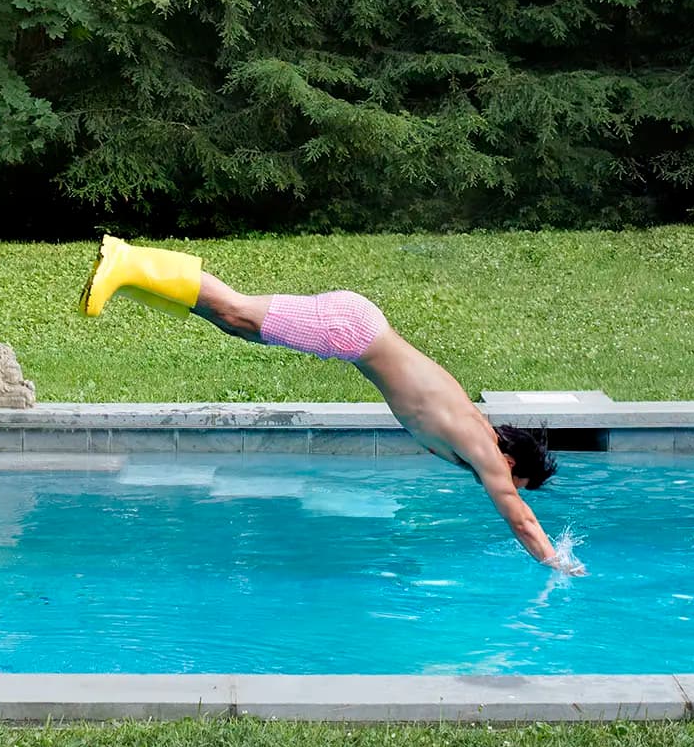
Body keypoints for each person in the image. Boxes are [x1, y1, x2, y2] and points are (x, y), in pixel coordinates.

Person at [82, 235, 583, 575]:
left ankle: (130, 275)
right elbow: (520, 518)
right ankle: (127, 260)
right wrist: (555, 562)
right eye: (517, 484)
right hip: (352, 330)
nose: (501, 488)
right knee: (238, 313)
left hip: (356, 330)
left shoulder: (471, 436)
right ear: (512, 464)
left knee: (236, 324)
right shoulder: (485, 448)